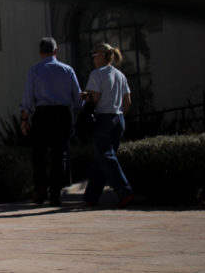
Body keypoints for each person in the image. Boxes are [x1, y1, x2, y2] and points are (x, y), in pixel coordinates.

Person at [20, 36, 82, 206]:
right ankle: (56, 194)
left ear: (40, 53)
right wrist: (77, 114)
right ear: (56, 51)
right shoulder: (67, 70)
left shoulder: (34, 71)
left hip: (42, 115)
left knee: (39, 155)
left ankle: (41, 193)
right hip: (62, 114)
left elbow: (28, 98)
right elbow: (77, 98)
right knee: (60, 154)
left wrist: (25, 119)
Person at [81, 42, 134, 208]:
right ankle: (91, 197)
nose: (93, 59)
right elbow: (128, 102)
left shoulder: (97, 74)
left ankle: (125, 192)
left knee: (106, 157)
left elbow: (95, 98)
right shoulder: (120, 75)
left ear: (102, 56)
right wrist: (119, 115)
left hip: (104, 118)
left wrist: (84, 96)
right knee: (101, 158)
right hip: (119, 120)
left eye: (94, 56)